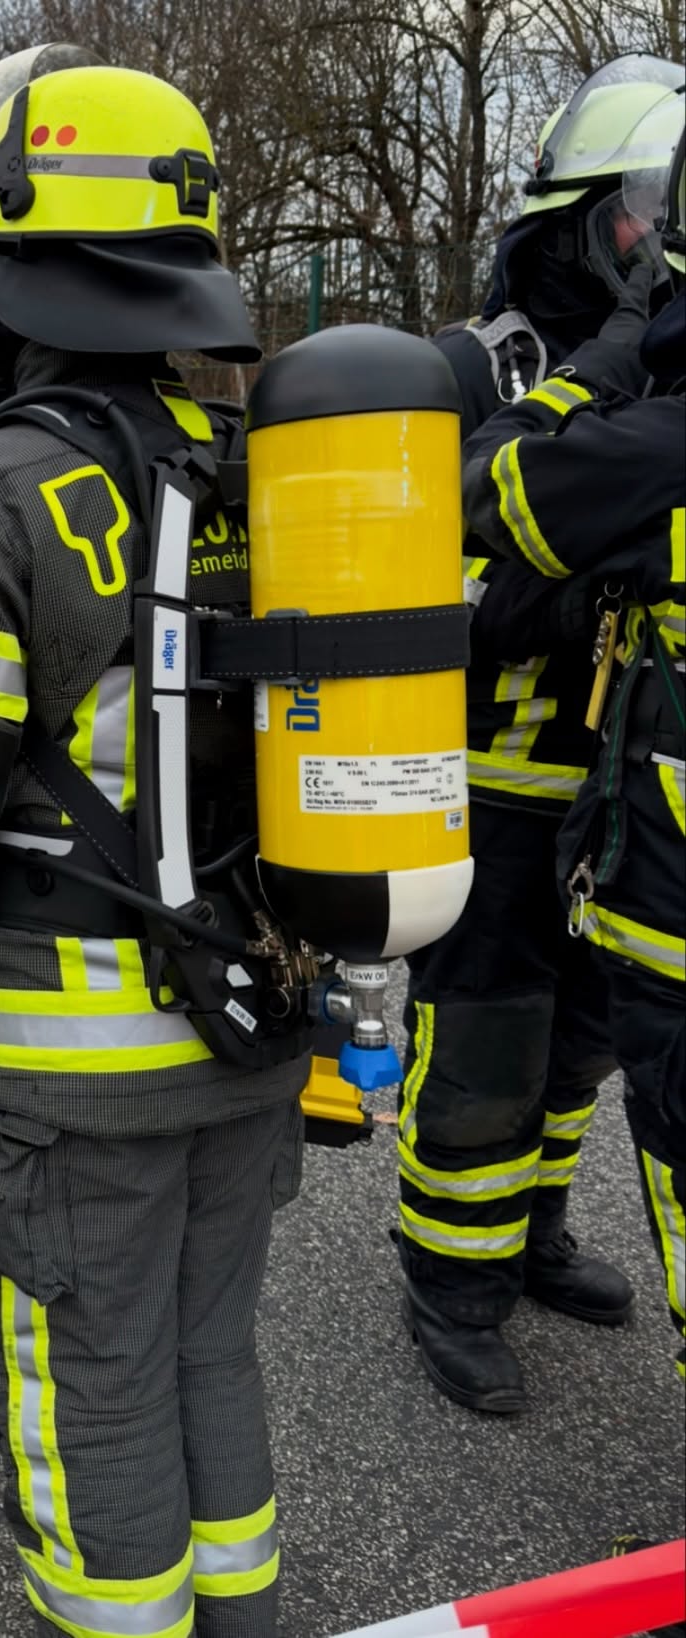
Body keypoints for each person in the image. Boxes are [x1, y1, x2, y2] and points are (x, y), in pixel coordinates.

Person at [0, 63, 307, 1638]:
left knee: (89, 1390)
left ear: (16, 251)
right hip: (247, 1026)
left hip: (67, 1073)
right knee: (206, 1353)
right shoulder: (250, 465)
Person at [396, 54, 683, 1413]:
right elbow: (411, 566)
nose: (649, 241)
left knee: (586, 1035)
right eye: (632, 213)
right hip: (495, 772)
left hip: (617, 785)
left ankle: (532, 1229)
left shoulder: (655, 377)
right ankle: (451, 1277)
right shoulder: (473, 367)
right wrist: (548, 590)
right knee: (487, 1032)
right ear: (571, 222)